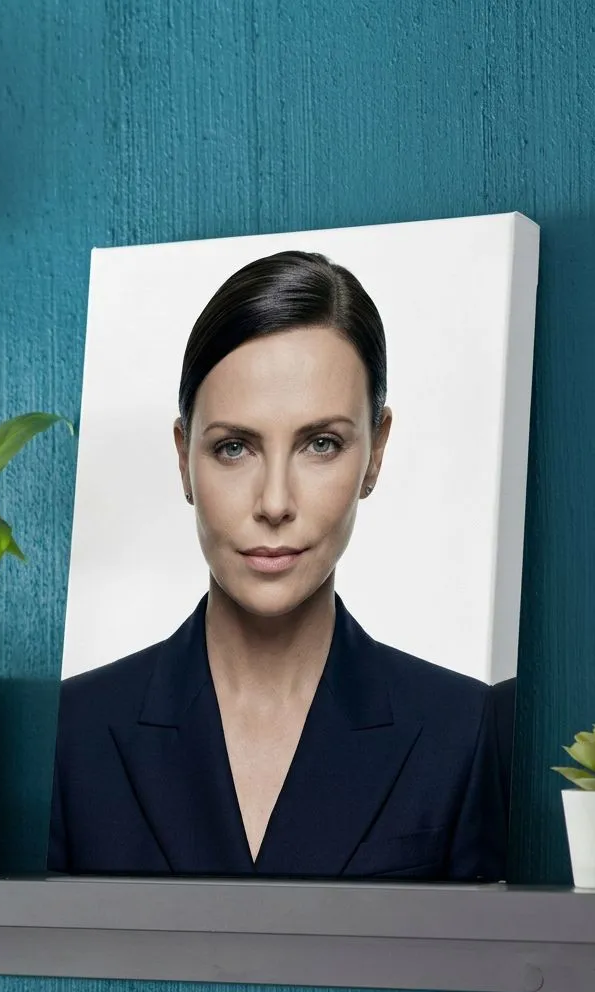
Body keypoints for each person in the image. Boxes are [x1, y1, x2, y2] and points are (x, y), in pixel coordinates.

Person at [47, 250, 508, 882]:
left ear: (376, 453)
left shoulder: (463, 730)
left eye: (321, 444)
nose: (274, 503)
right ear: (183, 458)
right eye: (234, 448)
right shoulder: (73, 733)